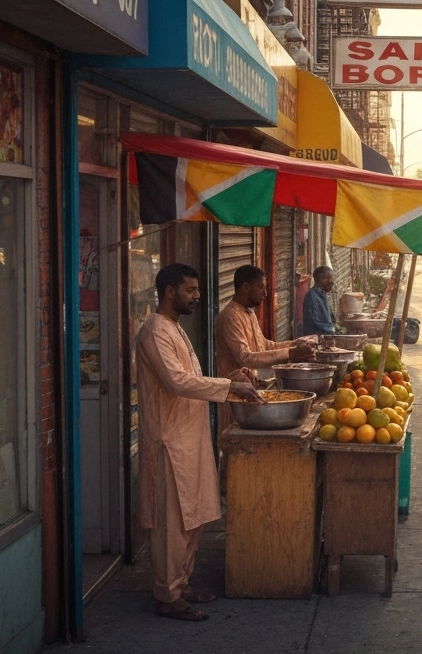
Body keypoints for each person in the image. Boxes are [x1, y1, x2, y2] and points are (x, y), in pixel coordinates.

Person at [135, 264, 262, 622]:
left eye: (197, 290)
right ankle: (167, 594)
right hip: (168, 443)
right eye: (191, 290)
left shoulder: (175, 328)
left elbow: (191, 379)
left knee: (196, 517)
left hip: (191, 437)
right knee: (172, 524)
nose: (197, 297)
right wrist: (228, 388)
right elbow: (176, 382)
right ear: (170, 292)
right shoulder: (154, 331)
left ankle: (182, 583)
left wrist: (229, 378)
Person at [216, 265, 315, 430]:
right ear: (245, 287)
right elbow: (245, 357)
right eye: (261, 287)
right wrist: (290, 353)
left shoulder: (249, 312)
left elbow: (264, 345)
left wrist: (296, 344)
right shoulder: (230, 316)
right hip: (235, 398)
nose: (266, 293)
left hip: (252, 393)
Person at [302, 266, 336, 336]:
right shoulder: (312, 297)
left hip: (324, 337)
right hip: (314, 340)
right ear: (316, 280)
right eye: (326, 278)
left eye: (332, 278)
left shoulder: (322, 295)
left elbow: (331, 318)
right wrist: (332, 330)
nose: (331, 281)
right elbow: (316, 323)